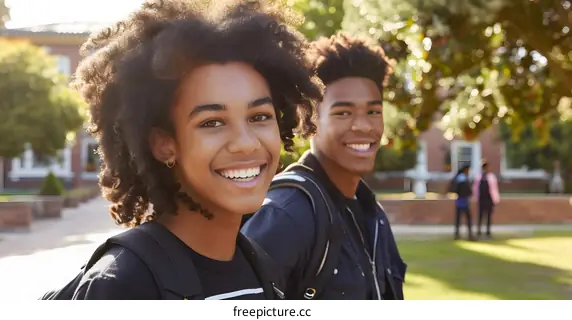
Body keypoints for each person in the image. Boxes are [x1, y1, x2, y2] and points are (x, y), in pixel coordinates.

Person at [68, 0, 322, 300]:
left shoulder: (264, 270)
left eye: (259, 117)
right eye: (212, 122)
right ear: (164, 144)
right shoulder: (124, 284)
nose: (246, 142)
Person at [242, 33, 406, 300]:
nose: (364, 126)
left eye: (373, 112)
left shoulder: (374, 215)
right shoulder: (287, 214)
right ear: (310, 119)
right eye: (343, 112)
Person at [472, 161, 500, 239]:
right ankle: (479, 231)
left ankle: (488, 232)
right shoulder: (478, 177)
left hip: (489, 199)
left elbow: (494, 189)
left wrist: (495, 199)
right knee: (480, 216)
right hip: (481, 199)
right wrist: (476, 197)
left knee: (488, 216)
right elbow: (475, 188)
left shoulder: (491, 177)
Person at [450, 164, 474, 241]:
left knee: (458, 218)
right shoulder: (463, 179)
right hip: (463, 200)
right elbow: (467, 190)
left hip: (459, 200)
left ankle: (457, 234)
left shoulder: (458, 178)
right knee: (468, 218)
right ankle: (469, 234)